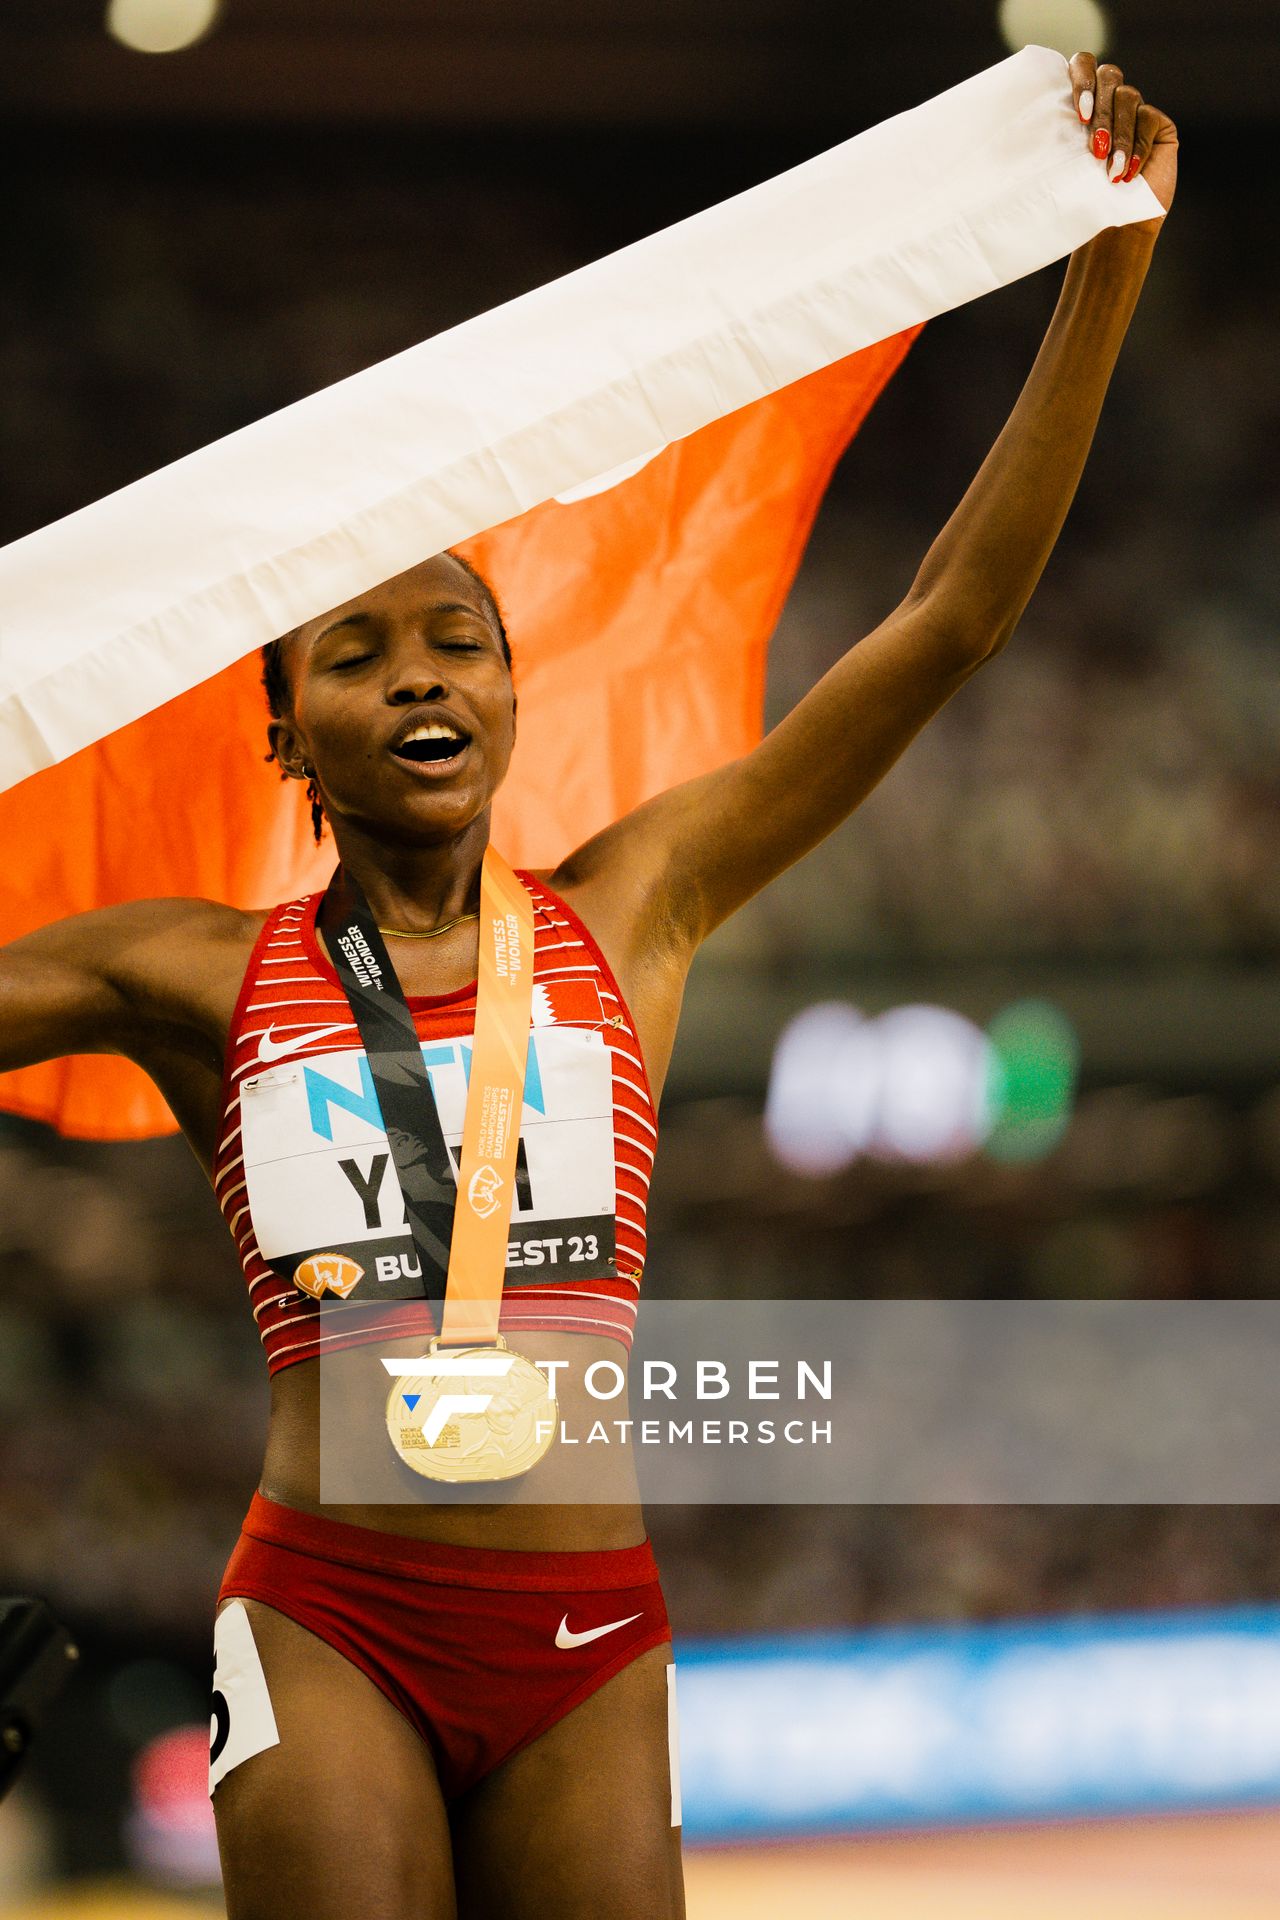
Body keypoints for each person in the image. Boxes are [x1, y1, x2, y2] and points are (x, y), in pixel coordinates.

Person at [0, 53, 1175, 1920]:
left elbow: (948, 620)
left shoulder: (643, 906)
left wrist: (1109, 256)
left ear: (514, 693)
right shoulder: (190, 974)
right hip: (326, 1616)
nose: (414, 678)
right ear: (285, 728)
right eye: (355, 655)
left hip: (583, 1637)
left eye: (455, 639)